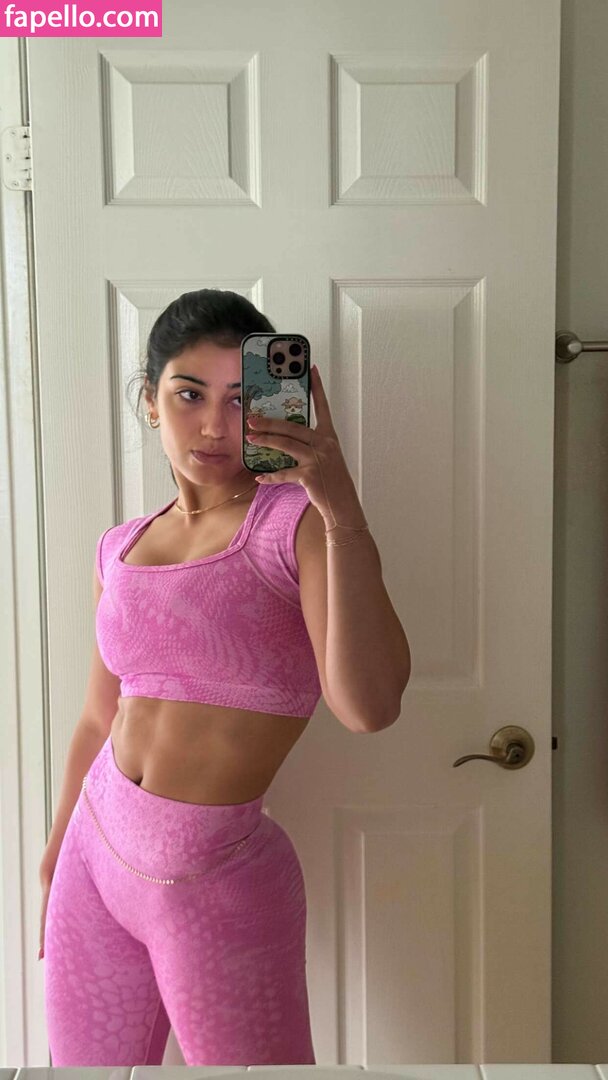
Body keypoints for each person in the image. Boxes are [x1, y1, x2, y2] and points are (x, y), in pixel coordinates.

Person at [38, 289, 411, 1067]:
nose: (214, 425)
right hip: (90, 863)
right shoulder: (119, 546)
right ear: (150, 401)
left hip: (216, 881)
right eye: (189, 395)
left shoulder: (296, 525)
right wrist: (52, 850)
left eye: (241, 400)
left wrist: (341, 505)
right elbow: (99, 716)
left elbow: (368, 706)